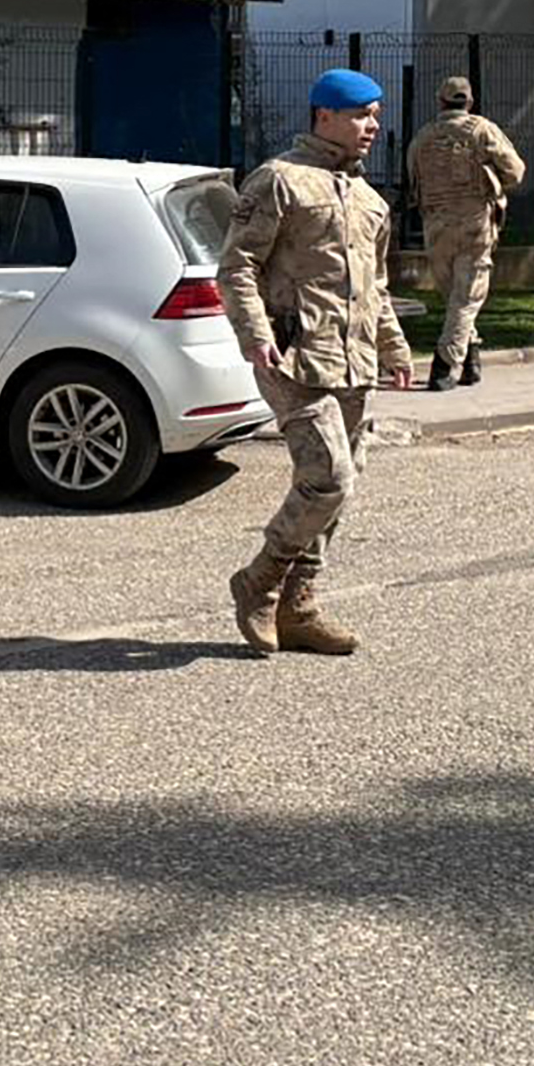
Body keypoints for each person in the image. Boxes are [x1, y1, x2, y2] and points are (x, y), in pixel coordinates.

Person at [218, 68, 417, 659]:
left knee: (338, 489)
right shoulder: (279, 180)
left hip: (353, 362)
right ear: (323, 115)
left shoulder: (369, 200)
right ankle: (259, 579)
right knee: (329, 477)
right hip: (294, 357)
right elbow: (237, 267)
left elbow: (375, 287)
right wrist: (254, 334)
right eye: (360, 115)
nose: (372, 126)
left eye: (375, 115)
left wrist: (394, 346)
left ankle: (298, 606)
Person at [407, 73, 528, 389]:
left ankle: (471, 361)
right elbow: (515, 171)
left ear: (440, 101)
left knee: (456, 297)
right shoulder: (482, 130)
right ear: (470, 102)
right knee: (466, 296)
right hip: (474, 222)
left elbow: (412, 179)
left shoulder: (423, 137)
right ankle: (445, 364)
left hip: (435, 224)